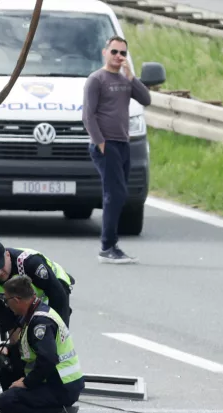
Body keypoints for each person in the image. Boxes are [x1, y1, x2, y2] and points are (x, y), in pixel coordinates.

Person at [82, 35, 151, 264]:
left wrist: (131, 77)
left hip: (123, 143)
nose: (118, 56)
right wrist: (100, 142)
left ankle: (111, 244)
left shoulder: (125, 81)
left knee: (118, 194)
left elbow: (146, 99)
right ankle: (107, 246)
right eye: (114, 52)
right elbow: (88, 115)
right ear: (105, 52)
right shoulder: (96, 79)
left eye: (122, 53)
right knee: (116, 194)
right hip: (106, 144)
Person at [0, 276, 85, 413]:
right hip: (55, 380)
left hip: (62, 384)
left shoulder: (40, 322)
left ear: (16, 299)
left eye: (6, 301)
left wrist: (26, 383)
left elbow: (48, 359)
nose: (6, 305)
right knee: (6, 370)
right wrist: (6, 349)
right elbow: (30, 349)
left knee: (5, 401)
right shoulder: (33, 312)